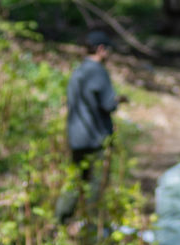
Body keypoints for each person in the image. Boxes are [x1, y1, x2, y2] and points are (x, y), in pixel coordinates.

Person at [56, 30, 125, 225]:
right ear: (101, 49)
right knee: (96, 183)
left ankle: (61, 219)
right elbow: (108, 104)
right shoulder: (98, 71)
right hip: (95, 138)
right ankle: (91, 224)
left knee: (75, 180)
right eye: (108, 50)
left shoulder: (78, 71)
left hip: (76, 136)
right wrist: (119, 100)